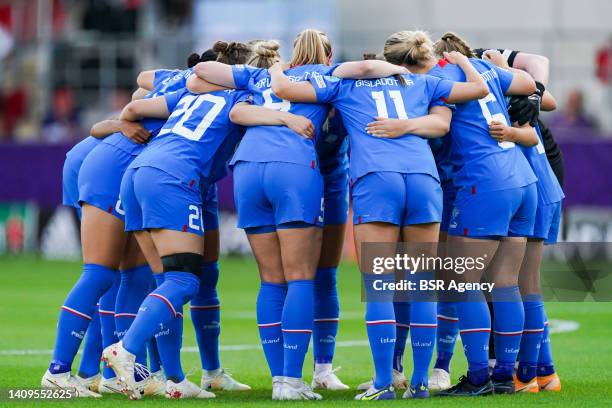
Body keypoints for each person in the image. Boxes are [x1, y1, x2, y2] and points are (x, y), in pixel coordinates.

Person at [269, 38, 492, 398]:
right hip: (423, 179)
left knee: (381, 287)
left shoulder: (344, 83)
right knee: (421, 287)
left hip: (377, 180)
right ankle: (419, 384)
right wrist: (463, 62)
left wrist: (282, 66)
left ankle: (384, 383)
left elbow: (285, 89)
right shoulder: (424, 82)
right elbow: (477, 90)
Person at [102, 40, 317, 400]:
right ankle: (125, 350)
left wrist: (126, 126)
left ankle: (173, 380)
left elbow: (134, 107)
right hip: (174, 179)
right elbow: (239, 116)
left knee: (164, 281)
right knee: (185, 281)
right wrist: (284, 116)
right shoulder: (239, 98)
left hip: (138, 173)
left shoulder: (189, 95)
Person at [366, 30, 538, 397]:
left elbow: (438, 126)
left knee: (461, 279)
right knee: (505, 282)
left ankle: (478, 376)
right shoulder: (475, 65)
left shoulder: (434, 82)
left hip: (484, 182)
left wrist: (402, 126)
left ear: (402, 66)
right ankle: (505, 375)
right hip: (523, 180)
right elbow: (528, 82)